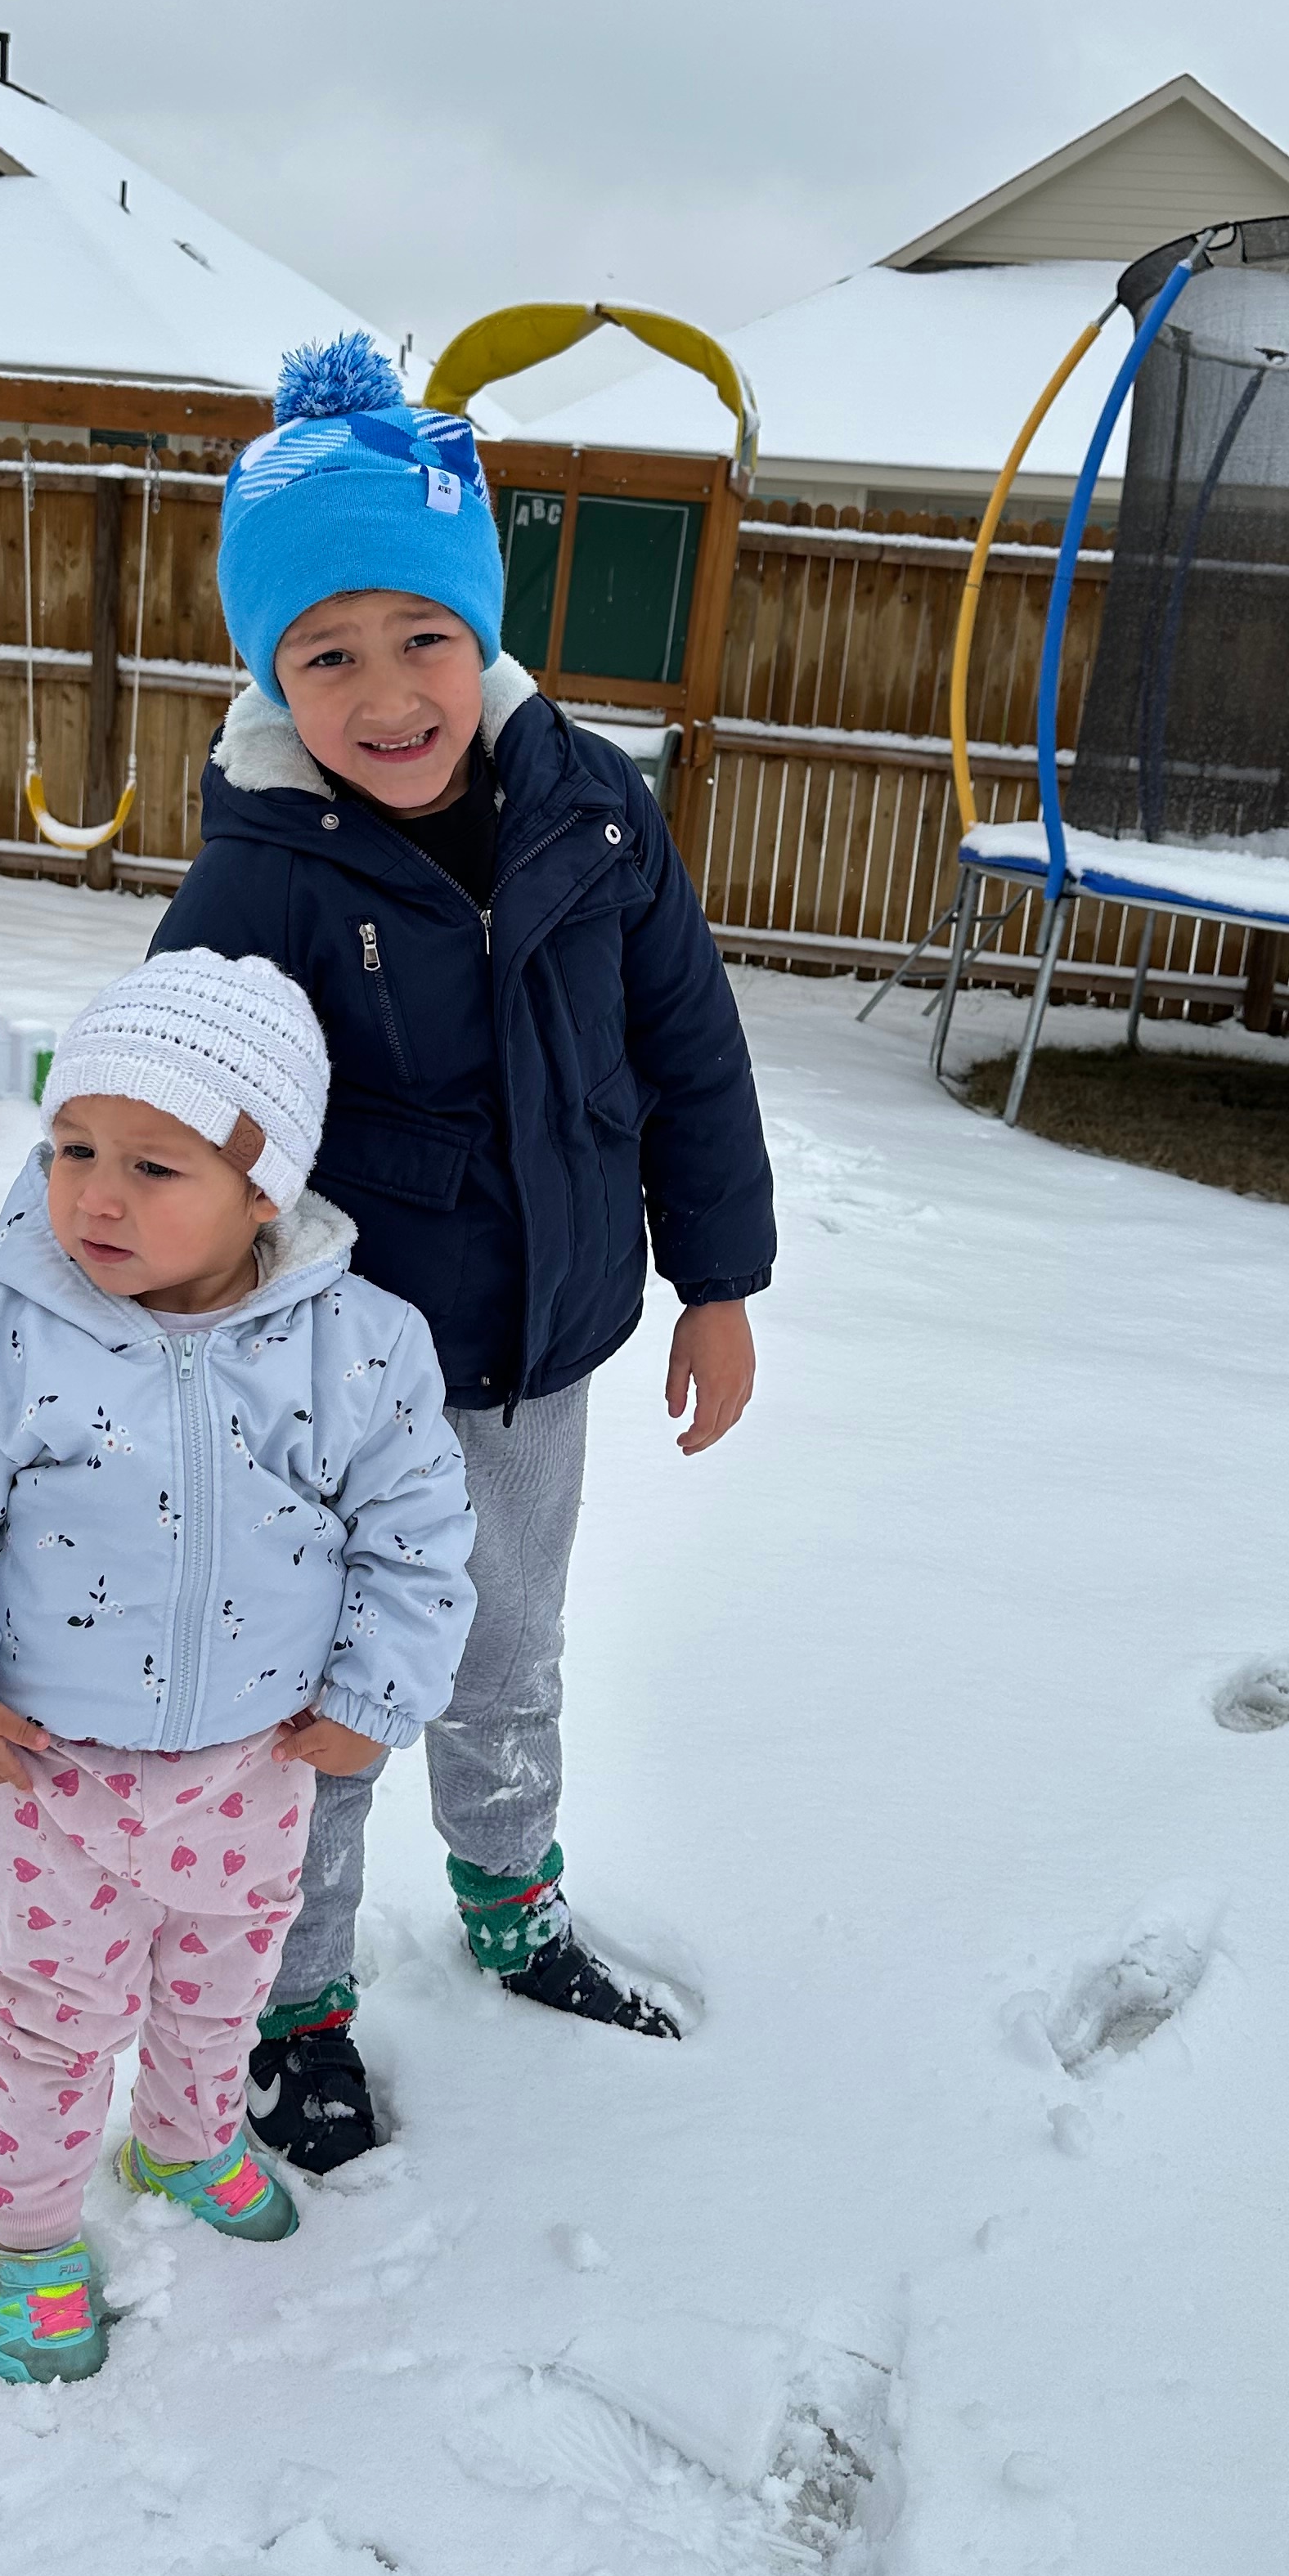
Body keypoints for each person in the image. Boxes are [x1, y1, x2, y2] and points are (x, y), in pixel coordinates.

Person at [149, 332, 776, 2174]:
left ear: (481, 632)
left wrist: (718, 1282)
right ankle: (296, 1998)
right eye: (325, 653)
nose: (386, 691)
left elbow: (689, 1046)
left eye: (421, 635)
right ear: (274, 674)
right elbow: (167, 1119)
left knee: (506, 1647)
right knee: (324, 1688)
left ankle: (512, 1909)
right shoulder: (261, 869)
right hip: (325, 1390)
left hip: (538, 1357)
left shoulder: (593, 808)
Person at [0, 949, 475, 2385]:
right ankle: (32, 2233)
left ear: (265, 1191)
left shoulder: (359, 1351)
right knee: (57, 2017)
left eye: (152, 1164)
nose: (95, 1196)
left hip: (259, 1764)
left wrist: (380, 1695)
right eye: (71, 1148)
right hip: (57, 1773)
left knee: (221, 1989)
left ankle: (186, 2145)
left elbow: (419, 1535)